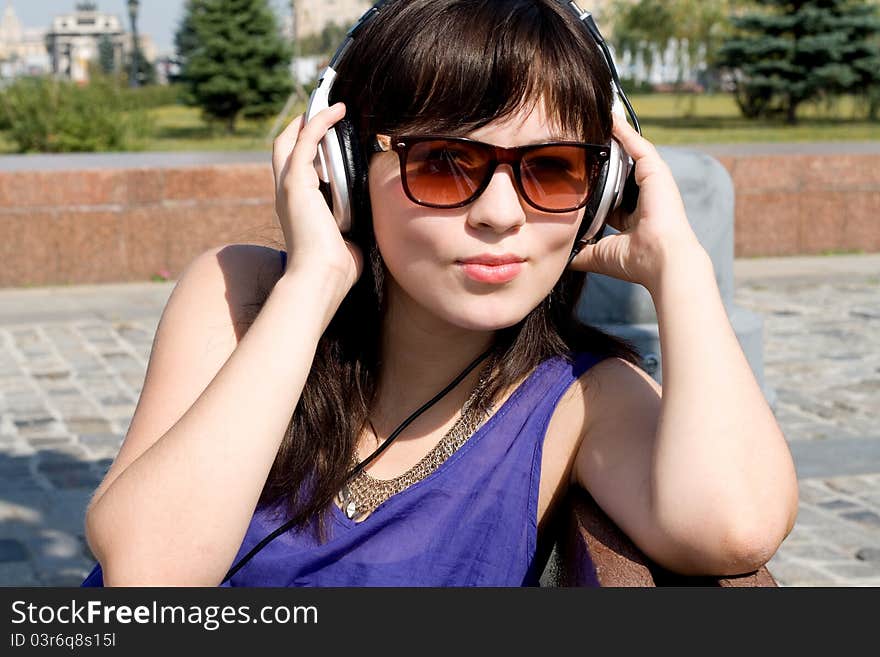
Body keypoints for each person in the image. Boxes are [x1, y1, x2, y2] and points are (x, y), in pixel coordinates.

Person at [81, 0, 798, 587]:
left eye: (552, 169)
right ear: (346, 168)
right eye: (446, 163)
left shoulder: (580, 402)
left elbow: (737, 526)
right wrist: (315, 279)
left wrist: (680, 265)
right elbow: (151, 579)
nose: (500, 213)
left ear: (604, 191)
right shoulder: (240, 297)